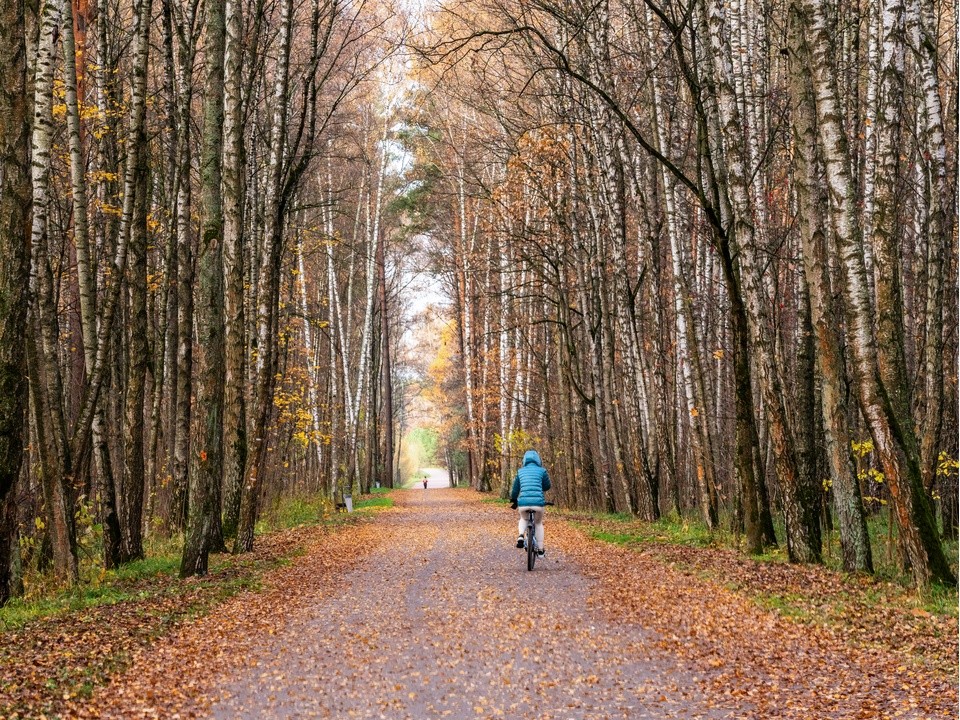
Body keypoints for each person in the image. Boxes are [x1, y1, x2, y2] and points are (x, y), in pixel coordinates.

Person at [509, 449, 551, 557]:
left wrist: (514, 499)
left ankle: (520, 536)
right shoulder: (542, 471)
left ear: (524, 460)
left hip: (523, 503)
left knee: (523, 518)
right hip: (538, 503)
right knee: (538, 523)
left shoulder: (520, 471)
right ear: (538, 460)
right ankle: (541, 550)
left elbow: (515, 489)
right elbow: (547, 486)